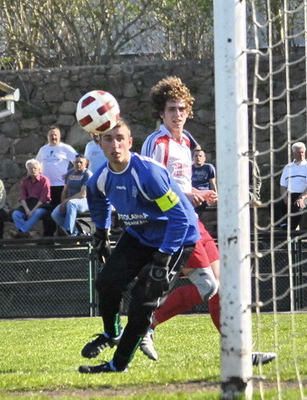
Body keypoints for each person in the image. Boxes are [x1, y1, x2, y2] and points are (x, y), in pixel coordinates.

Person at [140, 76, 275, 366]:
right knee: (207, 286)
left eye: (181, 109)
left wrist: (197, 195)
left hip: (191, 220)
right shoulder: (157, 142)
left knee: (223, 284)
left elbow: (179, 183)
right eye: (171, 109)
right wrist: (189, 192)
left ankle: (240, 352)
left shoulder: (186, 141)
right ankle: (145, 326)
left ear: (188, 111)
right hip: (171, 223)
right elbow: (151, 184)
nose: (177, 114)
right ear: (160, 113)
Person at [78, 119, 200, 373]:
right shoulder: (100, 177)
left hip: (175, 237)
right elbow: (97, 200)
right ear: (98, 143)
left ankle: (118, 364)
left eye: (120, 138)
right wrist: (101, 232)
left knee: (143, 300)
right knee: (106, 282)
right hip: (140, 234)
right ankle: (111, 333)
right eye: (108, 139)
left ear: (130, 142)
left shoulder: (148, 173)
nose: (115, 144)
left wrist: (163, 259)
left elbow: (180, 218)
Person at [36, 126, 76, 236]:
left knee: (61, 211)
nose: (53, 137)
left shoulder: (66, 148)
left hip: (61, 187)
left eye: (55, 135)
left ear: (59, 136)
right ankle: (48, 238)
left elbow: (79, 161)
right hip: (46, 187)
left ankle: (64, 237)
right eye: (51, 135)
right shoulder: (43, 149)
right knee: (47, 213)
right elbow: (36, 165)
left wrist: (71, 175)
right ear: (47, 136)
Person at [50, 154, 92, 236]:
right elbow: (65, 190)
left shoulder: (87, 174)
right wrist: (62, 203)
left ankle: (68, 232)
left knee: (71, 203)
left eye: (81, 162)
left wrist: (66, 201)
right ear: (73, 163)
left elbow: (83, 194)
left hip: (85, 201)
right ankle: (76, 231)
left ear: (86, 164)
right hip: (70, 201)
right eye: (76, 162)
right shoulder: (70, 172)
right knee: (55, 214)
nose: (78, 164)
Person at [9, 159, 52, 238]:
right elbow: (22, 196)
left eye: (35, 168)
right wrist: (27, 210)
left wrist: (32, 211)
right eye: (30, 168)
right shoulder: (25, 181)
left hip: (41, 205)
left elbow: (43, 198)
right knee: (15, 214)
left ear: (39, 169)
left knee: (37, 212)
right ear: (27, 170)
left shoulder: (44, 180)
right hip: (28, 203)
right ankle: (26, 234)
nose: (33, 170)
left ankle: (21, 231)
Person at [279, 142, 307, 230]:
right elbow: (283, 186)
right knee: (275, 205)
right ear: (293, 153)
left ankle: (290, 230)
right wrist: (285, 199)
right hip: (291, 195)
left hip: (304, 195)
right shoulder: (288, 167)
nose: (301, 154)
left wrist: (302, 197)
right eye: (299, 152)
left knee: (298, 205)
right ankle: (283, 226)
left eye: (303, 152)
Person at [191, 149, 217, 213]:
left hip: (205, 195)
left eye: (200, 156)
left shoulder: (209, 168)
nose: (198, 158)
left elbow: (213, 184)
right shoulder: (189, 168)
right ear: (193, 158)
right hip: (193, 195)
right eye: (196, 156)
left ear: (204, 158)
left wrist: (215, 196)